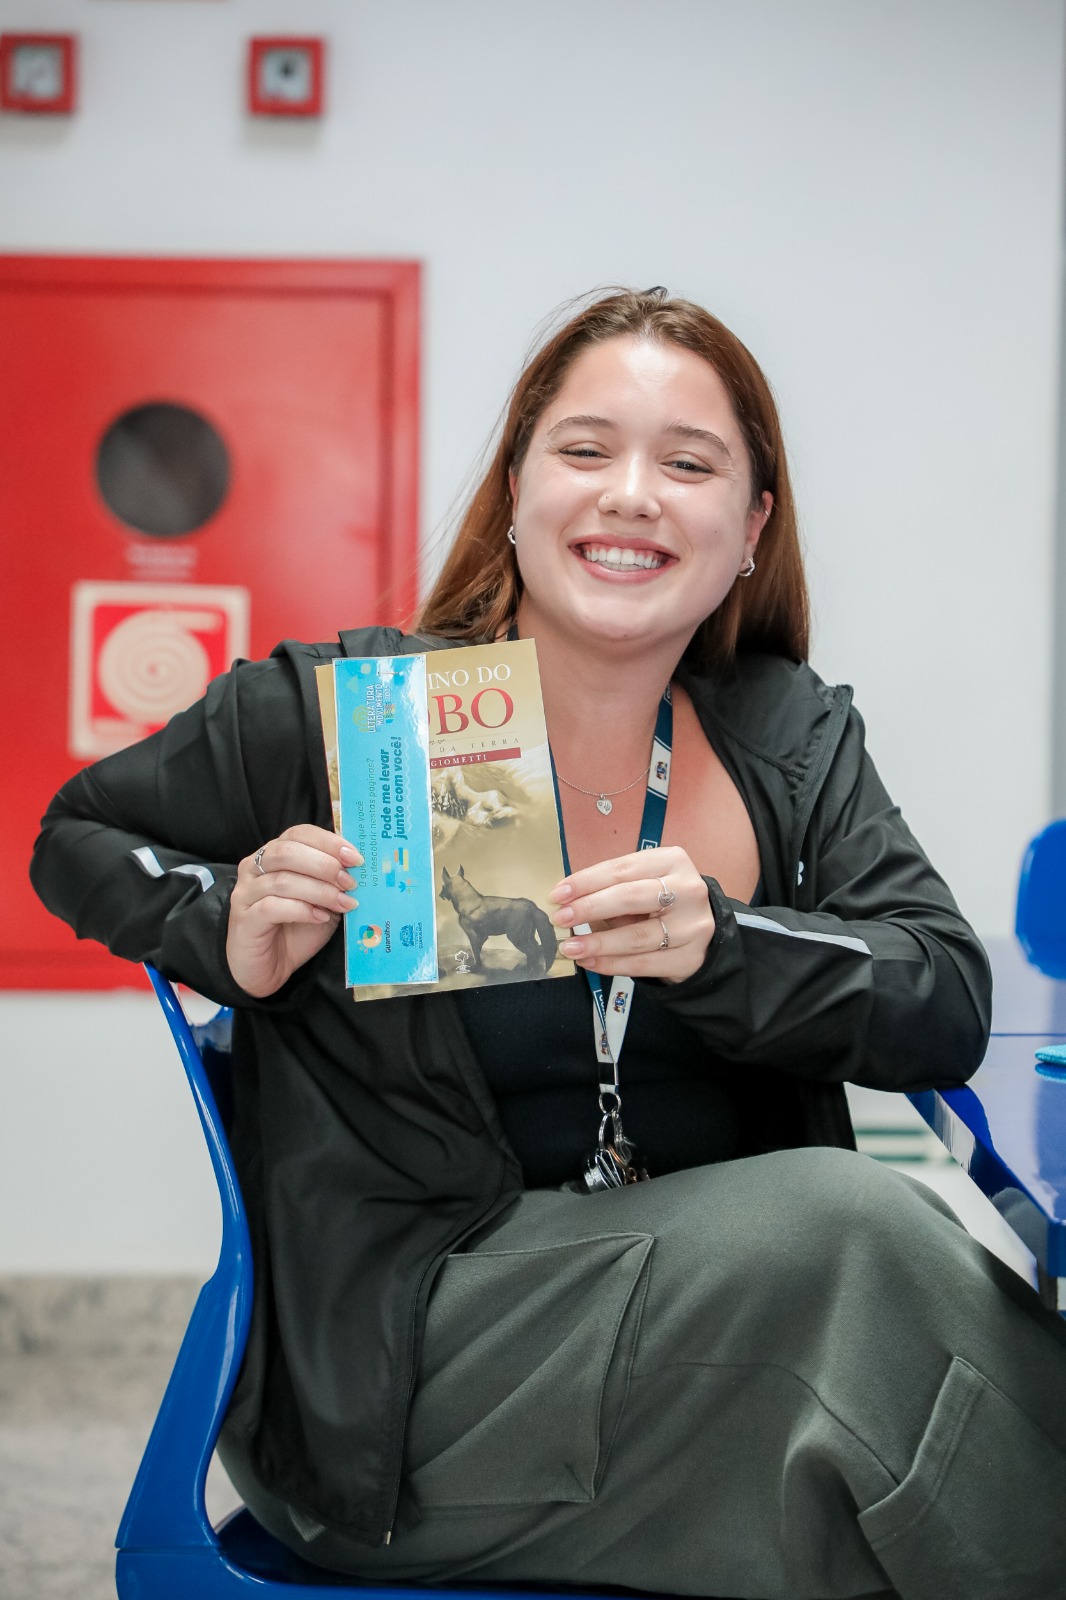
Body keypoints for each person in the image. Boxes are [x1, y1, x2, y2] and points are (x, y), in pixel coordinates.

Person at [31, 288, 1066, 1600]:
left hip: (713, 1358)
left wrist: (728, 944)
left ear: (751, 526)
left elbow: (943, 1000)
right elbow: (76, 836)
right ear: (516, 487)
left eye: (687, 464)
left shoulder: (787, 735)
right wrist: (218, 922)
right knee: (856, 1243)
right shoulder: (351, 715)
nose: (631, 494)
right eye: (584, 450)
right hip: (418, 1381)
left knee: (895, 1431)